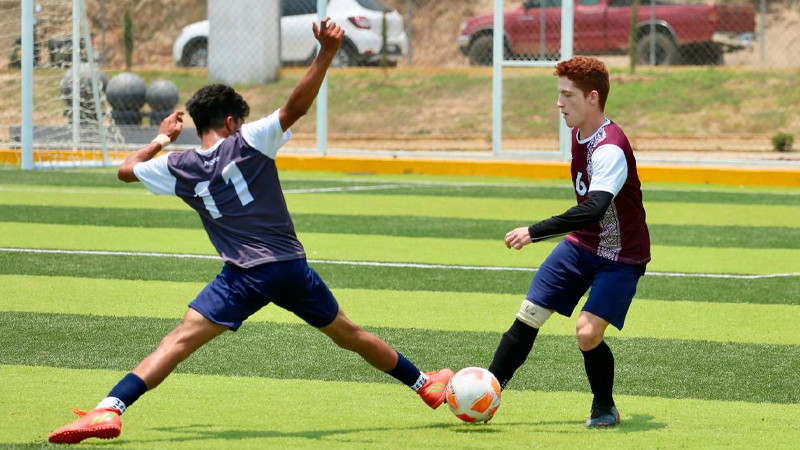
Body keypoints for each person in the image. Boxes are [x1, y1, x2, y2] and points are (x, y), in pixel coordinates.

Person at [48, 18, 452, 445]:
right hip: (290, 267)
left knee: (178, 342)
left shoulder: (178, 166)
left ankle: (109, 408)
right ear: (230, 121)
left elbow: (126, 170)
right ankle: (424, 385)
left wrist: (162, 139)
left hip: (242, 275)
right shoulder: (251, 140)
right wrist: (326, 54)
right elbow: (296, 107)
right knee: (349, 334)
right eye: (239, 121)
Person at [487, 56, 650, 428]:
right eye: (559, 94)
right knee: (529, 314)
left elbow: (594, 208)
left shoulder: (609, 148)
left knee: (587, 333)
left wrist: (534, 231)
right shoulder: (579, 133)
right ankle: (486, 391)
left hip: (621, 256)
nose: (559, 103)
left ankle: (604, 406)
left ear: (592, 98)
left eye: (567, 95)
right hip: (582, 245)